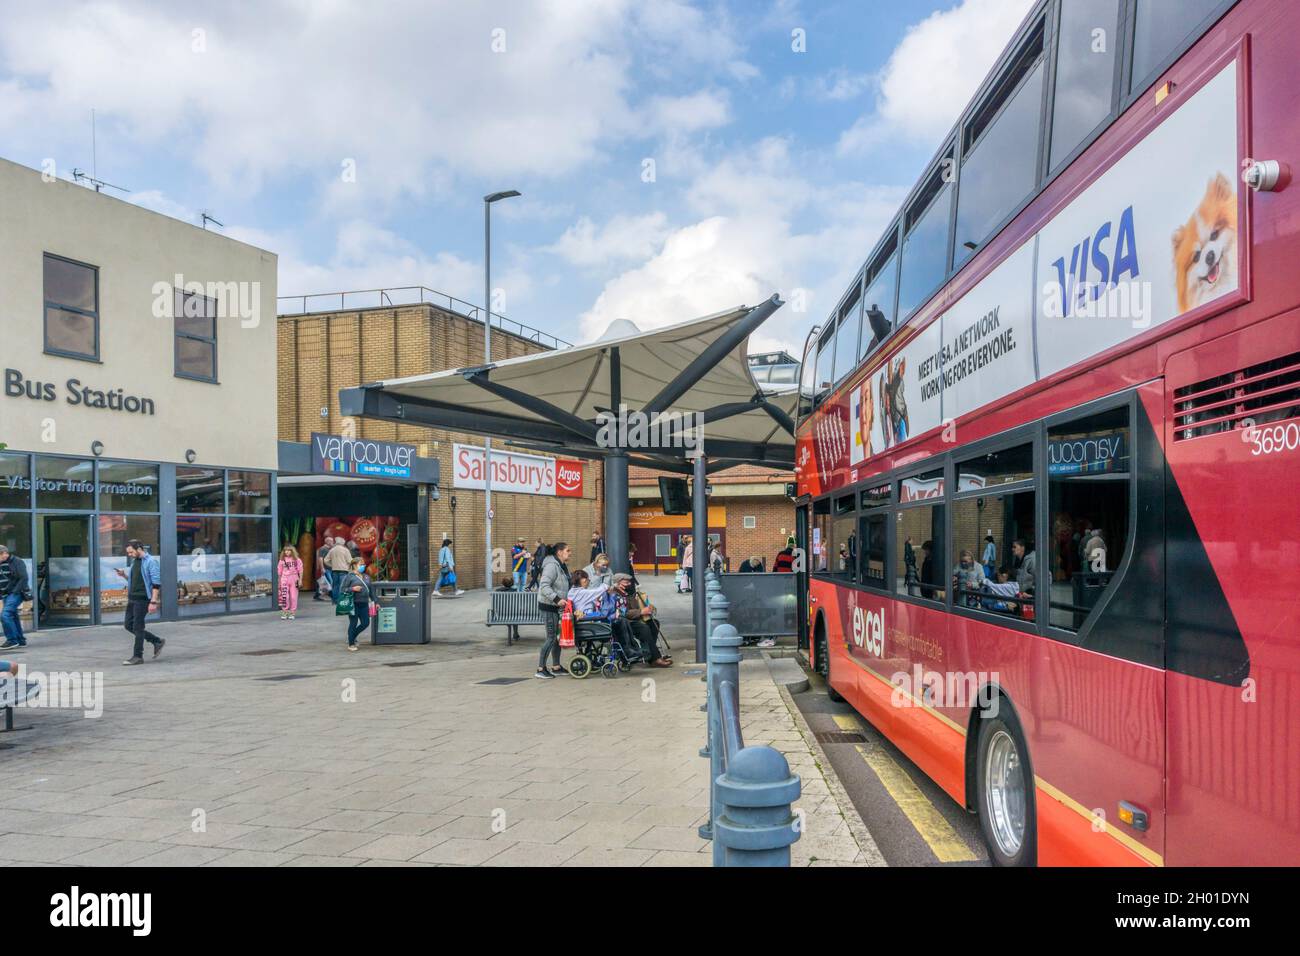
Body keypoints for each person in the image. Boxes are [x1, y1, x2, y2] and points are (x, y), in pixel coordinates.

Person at [118, 540, 164, 665]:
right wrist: (124, 576)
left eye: (131, 552)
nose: (130, 555)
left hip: (143, 599)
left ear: (139, 549)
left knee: (138, 627)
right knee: (128, 625)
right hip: (132, 598)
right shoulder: (135, 562)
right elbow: (136, 580)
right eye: (128, 553)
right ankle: (156, 641)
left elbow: (156, 583)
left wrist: (153, 602)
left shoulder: (151, 562)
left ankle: (138, 656)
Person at [535, 542, 571, 679]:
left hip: (556, 607)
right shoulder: (551, 566)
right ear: (559, 552)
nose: (570, 552)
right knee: (550, 638)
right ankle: (540, 668)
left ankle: (556, 667)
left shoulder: (561, 565)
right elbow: (544, 586)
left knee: (556, 638)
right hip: (549, 606)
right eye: (568, 550)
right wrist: (556, 599)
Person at [626, 584, 671, 667]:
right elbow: (625, 613)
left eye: (629, 582)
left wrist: (649, 607)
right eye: (626, 582)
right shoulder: (618, 596)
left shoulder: (631, 595)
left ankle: (650, 654)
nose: (629, 584)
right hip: (627, 622)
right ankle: (656, 658)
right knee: (644, 628)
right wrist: (641, 611)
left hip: (637, 618)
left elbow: (638, 607)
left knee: (654, 623)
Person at [0, 544, 30, 651]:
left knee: (5, 615)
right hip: (5, 594)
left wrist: (15, 592)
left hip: (16, 593)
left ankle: (12, 640)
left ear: (4, 553)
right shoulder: (2, 563)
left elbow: (24, 578)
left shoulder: (16, 561)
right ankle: (20, 640)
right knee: (13, 616)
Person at [341, 557, 371, 651]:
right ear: (354, 565)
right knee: (353, 623)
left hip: (364, 603)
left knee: (365, 623)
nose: (363, 566)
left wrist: (375, 602)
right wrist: (353, 589)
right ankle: (351, 644)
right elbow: (342, 590)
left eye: (363, 564)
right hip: (353, 603)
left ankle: (352, 636)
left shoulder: (366, 576)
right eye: (360, 564)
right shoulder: (349, 576)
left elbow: (371, 590)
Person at [277, 545, 304, 620]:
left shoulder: (297, 560)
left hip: (294, 578)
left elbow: (300, 570)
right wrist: (279, 582)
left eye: (289, 550)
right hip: (284, 579)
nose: (287, 552)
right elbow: (279, 572)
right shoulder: (282, 560)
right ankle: (285, 612)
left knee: (293, 597)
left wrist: (300, 580)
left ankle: (292, 612)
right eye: (285, 550)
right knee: (285, 596)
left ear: (292, 551)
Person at [325, 537, 352, 604]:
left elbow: (325, 560)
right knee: (342, 586)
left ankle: (334, 600)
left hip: (334, 570)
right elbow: (350, 561)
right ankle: (341, 600)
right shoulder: (345, 550)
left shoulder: (332, 550)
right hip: (344, 570)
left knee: (335, 586)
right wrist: (350, 568)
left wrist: (331, 565)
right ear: (343, 543)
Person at [494, 576, 521, 642]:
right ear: (512, 583)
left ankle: (513, 633)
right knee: (514, 615)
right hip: (514, 612)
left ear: (503, 583)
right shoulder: (515, 591)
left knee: (510, 616)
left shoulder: (498, 591)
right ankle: (515, 634)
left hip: (502, 613)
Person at [314, 536, 334, 601]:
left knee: (325, 583)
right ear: (327, 542)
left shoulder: (330, 549)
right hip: (326, 568)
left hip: (330, 568)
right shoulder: (323, 549)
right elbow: (320, 558)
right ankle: (332, 596)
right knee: (330, 582)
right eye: (331, 541)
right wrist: (322, 568)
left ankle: (317, 595)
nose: (332, 542)